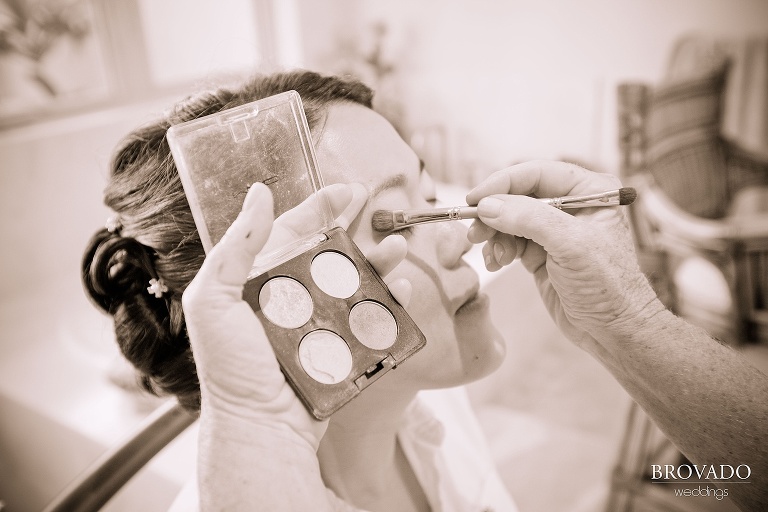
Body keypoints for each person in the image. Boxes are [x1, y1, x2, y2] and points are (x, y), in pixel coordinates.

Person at [82, 70, 516, 512]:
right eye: (392, 219)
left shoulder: (437, 408)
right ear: (273, 303)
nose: (462, 237)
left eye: (427, 194)